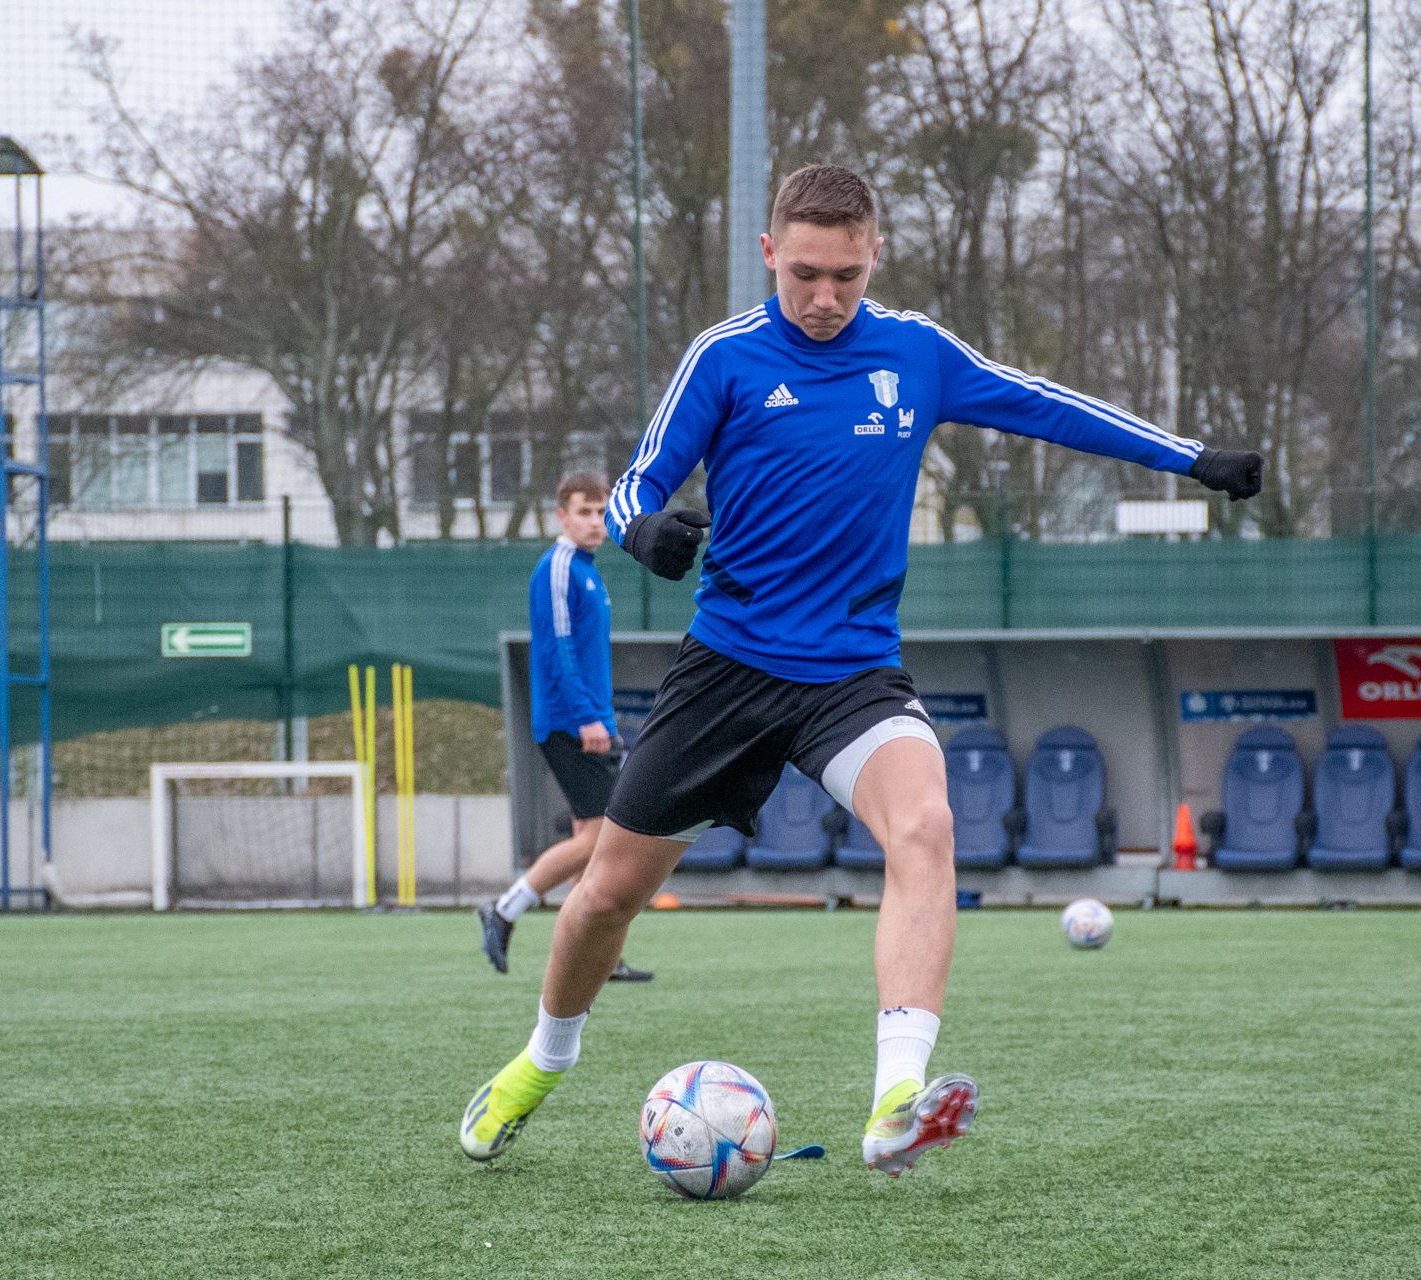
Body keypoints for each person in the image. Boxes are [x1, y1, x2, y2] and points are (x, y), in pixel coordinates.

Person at [460, 164, 1260, 1173]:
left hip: (853, 675)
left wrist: (1192, 458)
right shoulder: (726, 357)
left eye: (845, 274)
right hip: (726, 671)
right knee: (607, 895)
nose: (825, 296)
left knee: (926, 826)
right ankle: (542, 1060)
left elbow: (1045, 404)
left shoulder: (917, 352)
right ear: (769, 255)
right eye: (804, 274)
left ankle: (896, 1101)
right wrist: (643, 531)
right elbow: (635, 485)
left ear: (876, 253)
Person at [474, 473, 653, 983]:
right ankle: (504, 908)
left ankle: (594, 958)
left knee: (590, 841)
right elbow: (557, 649)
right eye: (584, 512)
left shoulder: (587, 569)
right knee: (603, 839)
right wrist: (587, 719)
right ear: (562, 516)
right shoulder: (557, 567)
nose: (595, 522)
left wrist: (602, 718)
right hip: (570, 724)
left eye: (601, 513)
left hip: (592, 721)